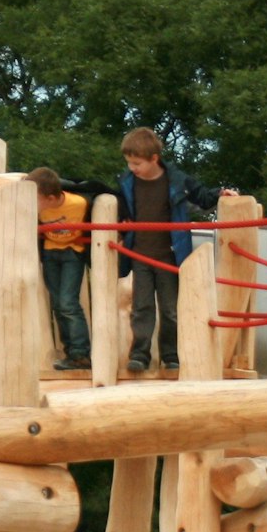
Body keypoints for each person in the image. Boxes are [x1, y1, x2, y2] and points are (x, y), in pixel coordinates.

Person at [114, 127, 230, 373]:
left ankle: (171, 354)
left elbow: (201, 196)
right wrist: (122, 227)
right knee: (142, 307)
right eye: (129, 163)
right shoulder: (126, 182)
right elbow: (121, 210)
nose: (132, 168)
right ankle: (140, 354)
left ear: (154, 159)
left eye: (137, 163)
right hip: (140, 254)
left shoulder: (176, 180)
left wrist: (220, 194)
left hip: (169, 254)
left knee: (170, 308)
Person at [29, 166, 102, 371]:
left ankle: (81, 353)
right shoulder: (35, 209)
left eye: (35, 199)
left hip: (72, 252)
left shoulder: (79, 202)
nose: (31, 204)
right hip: (50, 252)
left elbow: (104, 196)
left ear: (51, 198)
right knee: (57, 305)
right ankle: (70, 353)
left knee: (68, 302)